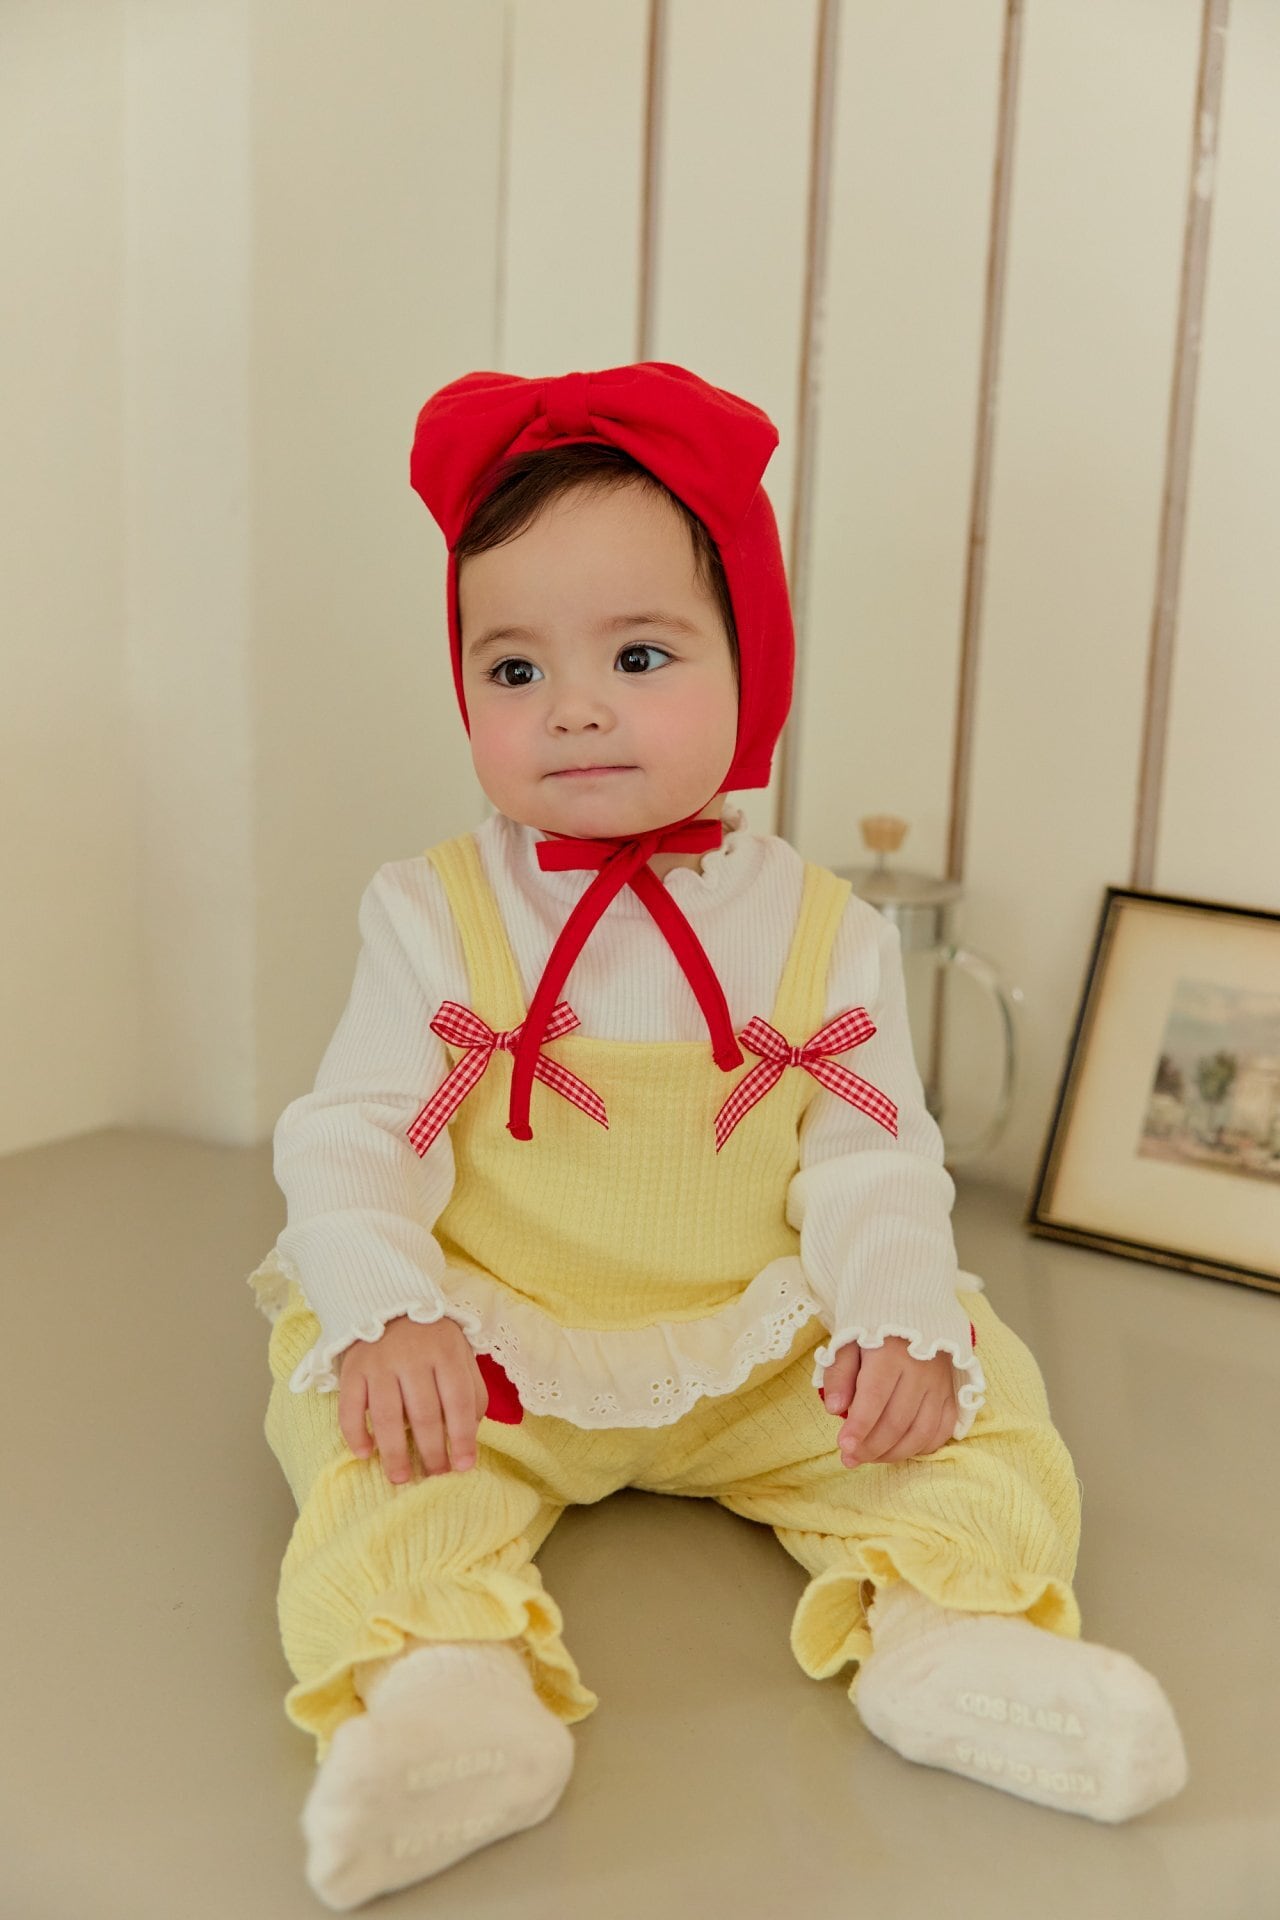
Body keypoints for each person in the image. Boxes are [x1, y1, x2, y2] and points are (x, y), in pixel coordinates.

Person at [247, 362, 1187, 1911]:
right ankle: (444, 1685)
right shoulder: (430, 911)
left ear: (755, 664)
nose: (576, 707)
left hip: (758, 1348)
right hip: (501, 1344)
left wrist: (892, 1314)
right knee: (368, 1439)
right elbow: (352, 1134)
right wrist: (390, 1308)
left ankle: (955, 1636)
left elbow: (872, 1154)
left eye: (638, 654)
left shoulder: (821, 927)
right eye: (513, 668)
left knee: (975, 1397)